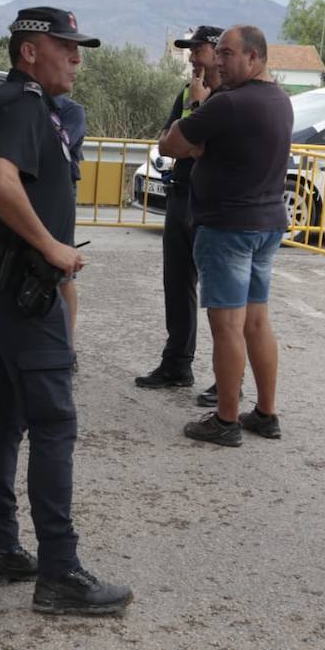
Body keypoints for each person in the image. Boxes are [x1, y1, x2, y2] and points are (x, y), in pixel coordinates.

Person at [0, 6, 131, 616]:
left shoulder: (8, 103)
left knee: (4, 418)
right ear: (30, 50)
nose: (77, 56)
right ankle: (60, 571)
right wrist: (46, 245)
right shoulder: (25, 104)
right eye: (67, 46)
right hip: (21, 287)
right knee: (54, 423)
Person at [160, 25, 291, 447]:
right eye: (217, 53)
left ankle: (226, 419)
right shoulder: (280, 101)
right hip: (267, 224)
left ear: (254, 57)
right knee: (256, 321)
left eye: (227, 54)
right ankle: (266, 414)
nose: (218, 60)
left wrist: (196, 110)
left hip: (227, 228)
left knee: (227, 326)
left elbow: (170, 145)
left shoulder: (227, 104)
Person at [135, 26, 228, 407]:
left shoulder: (230, 98)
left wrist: (192, 121)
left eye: (198, 49)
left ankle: (227, 381)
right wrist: (187, 130)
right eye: (190, 50)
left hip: (214, 202)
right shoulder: (187, 93)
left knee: (222, 297)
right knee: (177, 283)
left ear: (217, 50)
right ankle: (177, 363)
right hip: (181, 195)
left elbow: (200, 146)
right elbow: (167, 143)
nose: (192, 57)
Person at [51, 93, 86, 351]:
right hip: (30, 190)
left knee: (64, 274)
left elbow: (56, 146)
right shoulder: (27, 103)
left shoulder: (72, 111)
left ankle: (68, 347)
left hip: (60, 190)